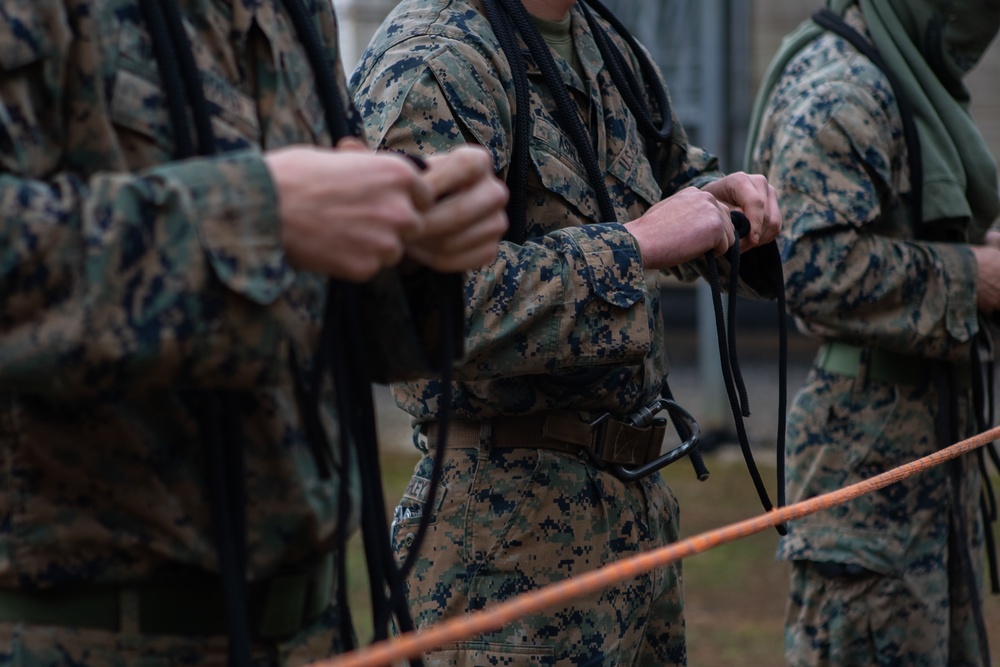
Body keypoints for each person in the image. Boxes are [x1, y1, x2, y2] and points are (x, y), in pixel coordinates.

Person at [0, 0, 508, 665]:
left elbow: (302, 298)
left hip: (307, 627)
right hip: (82, 635)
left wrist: (408, 241)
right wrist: (257, 215)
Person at [351, 0, 782, 663]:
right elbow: (422, 309)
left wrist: (719, 202)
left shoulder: (600, 39)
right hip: (504, 545)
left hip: (633, 519)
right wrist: (633, 246)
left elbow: (666, 179)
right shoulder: (434, 63)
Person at [745, 0, 1000, 664]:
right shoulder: (845, 85)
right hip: (867, 459)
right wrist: (971, 276)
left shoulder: (902, 72)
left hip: (933, 444)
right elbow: (811, 265)